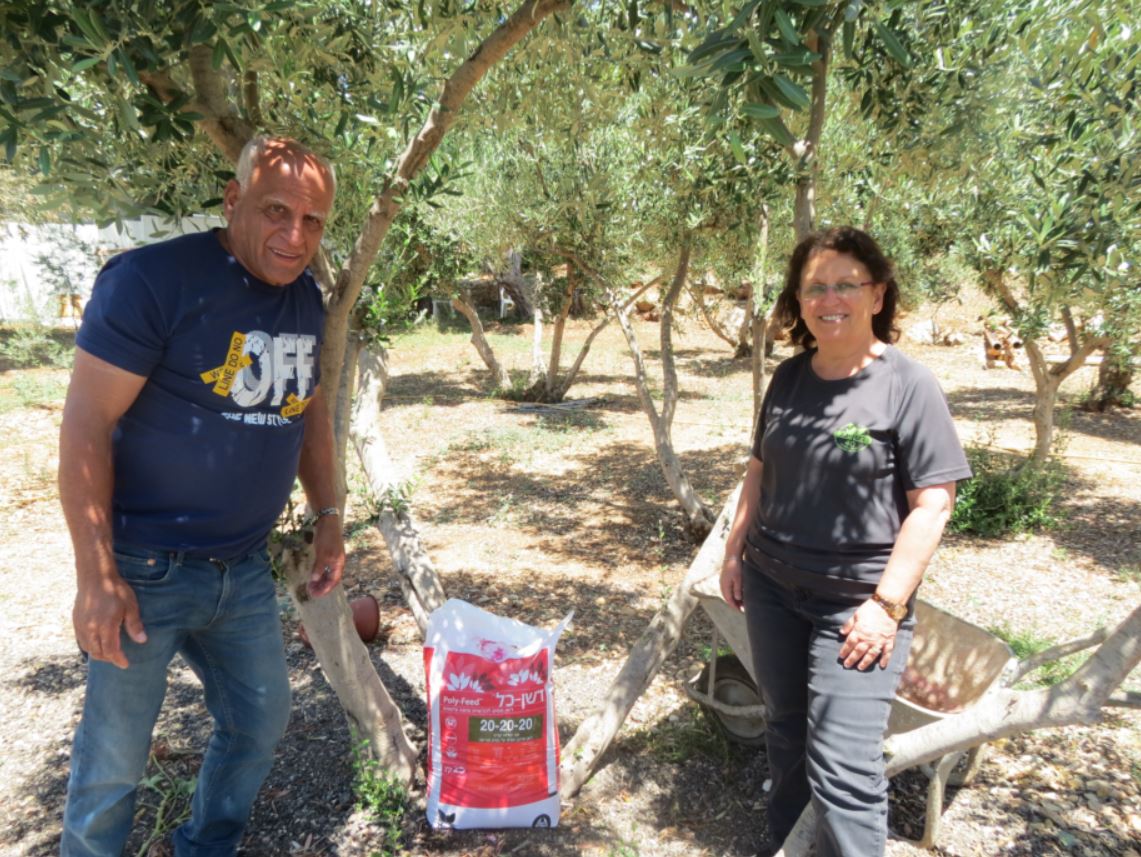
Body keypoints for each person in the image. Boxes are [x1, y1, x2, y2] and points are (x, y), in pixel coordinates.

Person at [58, 136, 346, 857]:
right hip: (143, 570)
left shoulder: (304, 296)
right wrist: (96, 574)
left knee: (260, 720)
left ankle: (207, 845)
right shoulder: (154, 280)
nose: (294, 235)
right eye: (276, 211)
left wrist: (329, 514)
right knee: (114, 763)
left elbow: (309, 413)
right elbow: (86, 422)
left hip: (243, 570)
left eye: (313, 221)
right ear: (231, 199)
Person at [720, 227, 971, 857]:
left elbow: (933, 505)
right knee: (784, 730)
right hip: (772, 588)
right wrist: (733, 551)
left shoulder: (908, 385)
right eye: (814, 287)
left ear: (878, 294)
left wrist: (885, 607)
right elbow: (759, 469)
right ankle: (791, 845)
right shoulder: (788, 378)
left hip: (857, 607)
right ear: (798, 300)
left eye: (846, 285)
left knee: (844, 767)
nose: (829, 298)